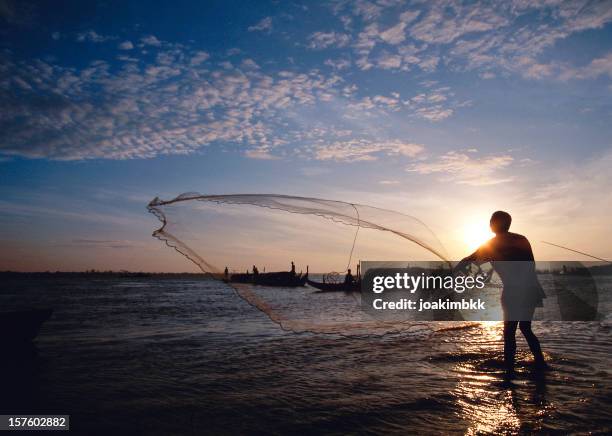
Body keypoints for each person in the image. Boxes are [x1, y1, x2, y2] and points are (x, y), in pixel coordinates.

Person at [456, 211, 546, 373]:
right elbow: (530, 265)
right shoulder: (521, 239)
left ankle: (509, 372)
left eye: (491, 221)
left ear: (495, 224)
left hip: (513, 291)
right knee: (526, 328)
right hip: (532, 289)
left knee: (509, 332)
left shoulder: (491, 245)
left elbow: (468, 260)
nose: (489, 224)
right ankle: (541, 365)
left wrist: (454, 269)